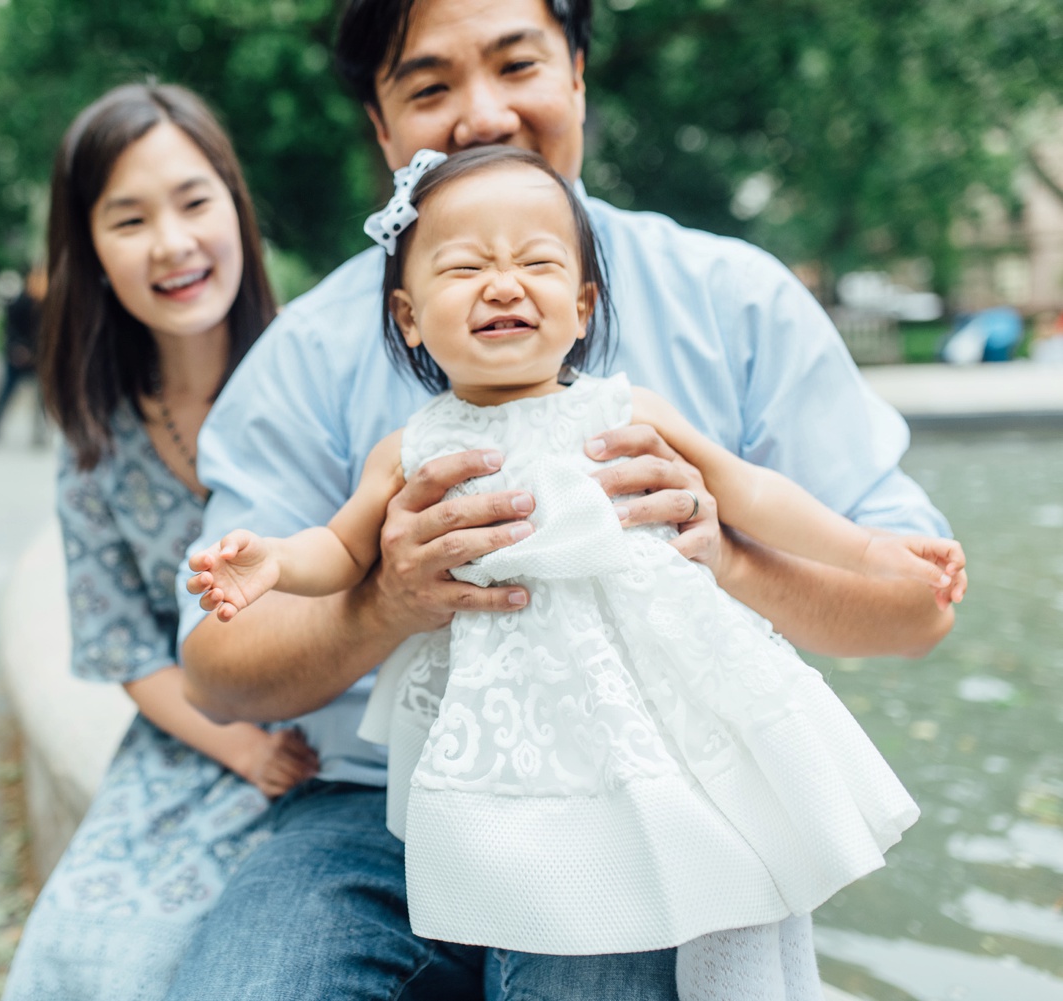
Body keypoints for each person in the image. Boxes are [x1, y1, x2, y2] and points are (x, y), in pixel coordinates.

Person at [167, 1, 957, 998]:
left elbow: (916, 602)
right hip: (371, 802)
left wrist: (728, 555)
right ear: (380, 122)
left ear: (578, 71)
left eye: (516, 64)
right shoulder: (320, 363)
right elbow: (219, 667)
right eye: (430, 85)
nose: (482, 114)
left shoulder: (731, 302)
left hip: (637, 775)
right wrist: (385, 601)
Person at [1, 83, 317, 1001]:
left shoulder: (317, 369)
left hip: (335, 732)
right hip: (191, 742)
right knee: (75, 955)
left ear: (235, 208)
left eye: (193, 201)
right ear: (91, 250)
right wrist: (244, 751)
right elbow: (122, 642)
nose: (172, 244)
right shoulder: (93, 433)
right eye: (129, 218)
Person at [0, 265, 49, 446]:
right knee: (7, 391)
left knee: (43, 397)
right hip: (17, 357)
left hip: (39, 359)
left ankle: (39, 432)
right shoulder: (18, 303)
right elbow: (9, 330)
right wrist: (17, 348)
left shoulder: (48, 306)